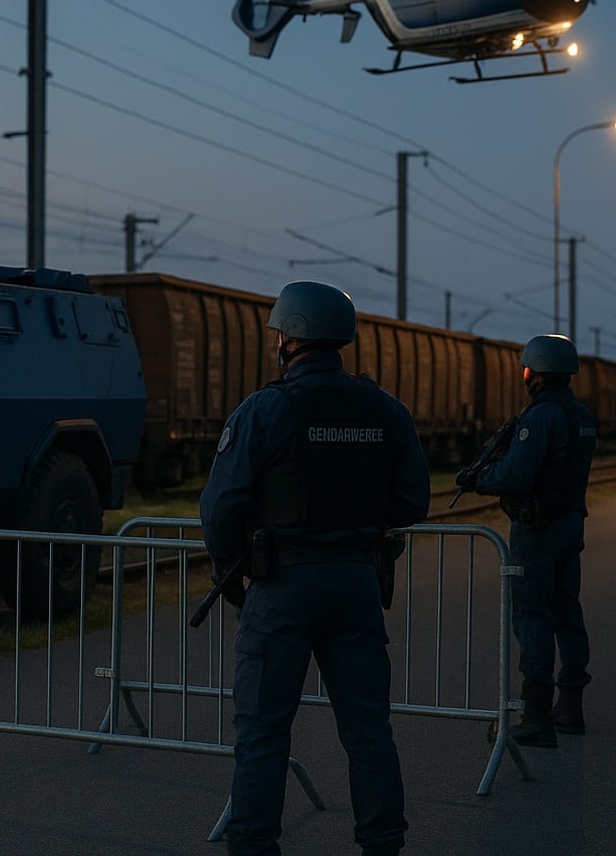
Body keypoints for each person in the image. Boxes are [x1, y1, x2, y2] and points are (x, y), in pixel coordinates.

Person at [199, 281, 430, 856]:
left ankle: (253, 846)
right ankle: (382, 845)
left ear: (289, 337)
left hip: (282, 587)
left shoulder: (266, 409)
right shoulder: (386, 410)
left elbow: (220, 507)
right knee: (369, 731)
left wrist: (236, 574)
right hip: (355, 584)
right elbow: (413, 501)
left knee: (263, 733)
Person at [457, 334, 597, 748]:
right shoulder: (581, 414)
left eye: (526, 368)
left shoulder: (541, 417)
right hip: (570, 523)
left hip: (538, 530)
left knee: (532, 616)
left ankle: (536, 715)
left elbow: (517, 473)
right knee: (567, 611)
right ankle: (570, 706)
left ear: (534, 370)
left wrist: (479, 479)